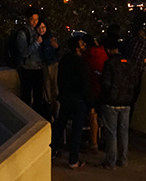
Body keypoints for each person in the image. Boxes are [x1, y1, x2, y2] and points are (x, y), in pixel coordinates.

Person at [52, 35, 93, 169]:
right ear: (77, 48)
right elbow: (84, 85)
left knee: (60, 125)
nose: (84, 46)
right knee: (76, 130)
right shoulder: (81, 63)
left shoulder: (64, 60)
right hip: (78, 100)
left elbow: (59, 78)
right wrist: (90, 103)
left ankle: (52, 151)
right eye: (81, 44)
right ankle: (73, 160)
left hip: (66, 97)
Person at [98, 36, 138, 170]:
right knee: (123, 132)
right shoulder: (130, 62)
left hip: (111, 101)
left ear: (108, 50)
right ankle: (123, 159)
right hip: (126, 101)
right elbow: (135, 82)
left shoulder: (109, 64)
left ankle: (111, 161)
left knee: (111, 133)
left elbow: (106, 83)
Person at [82, 33, 108, 153]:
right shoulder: (103, 53)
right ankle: (105, 140)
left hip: (91, 90)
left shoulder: (85, 56)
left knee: (93, 115)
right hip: (104, 89)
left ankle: (93, 142)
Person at [17, 10, 44, 115]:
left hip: (38, 67)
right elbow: (24, 52)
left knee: (38, 96)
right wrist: (36, 43)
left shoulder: (37, 31)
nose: (35, 22)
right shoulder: (23, 33)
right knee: (26, 95)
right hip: (27, 68)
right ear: (27, 20)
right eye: (32, 19)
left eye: (36, 19)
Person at [122, 24, 146, 119]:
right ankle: (128, 120)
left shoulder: (131, 41)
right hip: (136, 73)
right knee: (132, 98)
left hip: (125, 70)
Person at [40, 21, 60, 121]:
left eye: (43, 27)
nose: (41, 29)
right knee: (48, 91)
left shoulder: (48, 39)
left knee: (52, 90)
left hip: (51, 65)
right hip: (46, 65)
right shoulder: (40, 39)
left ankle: (55, 114)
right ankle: (53, 114)